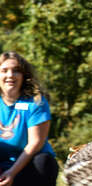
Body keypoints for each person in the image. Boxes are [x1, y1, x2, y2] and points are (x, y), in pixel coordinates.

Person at [0, 51, 59, 186]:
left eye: (16, 71)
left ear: (24, 76)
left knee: (43, 161)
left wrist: (11, 173)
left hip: (28, 167)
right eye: (4, 71)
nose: (10, 75)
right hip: (2, 165)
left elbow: (35, 143)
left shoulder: (36, 103)